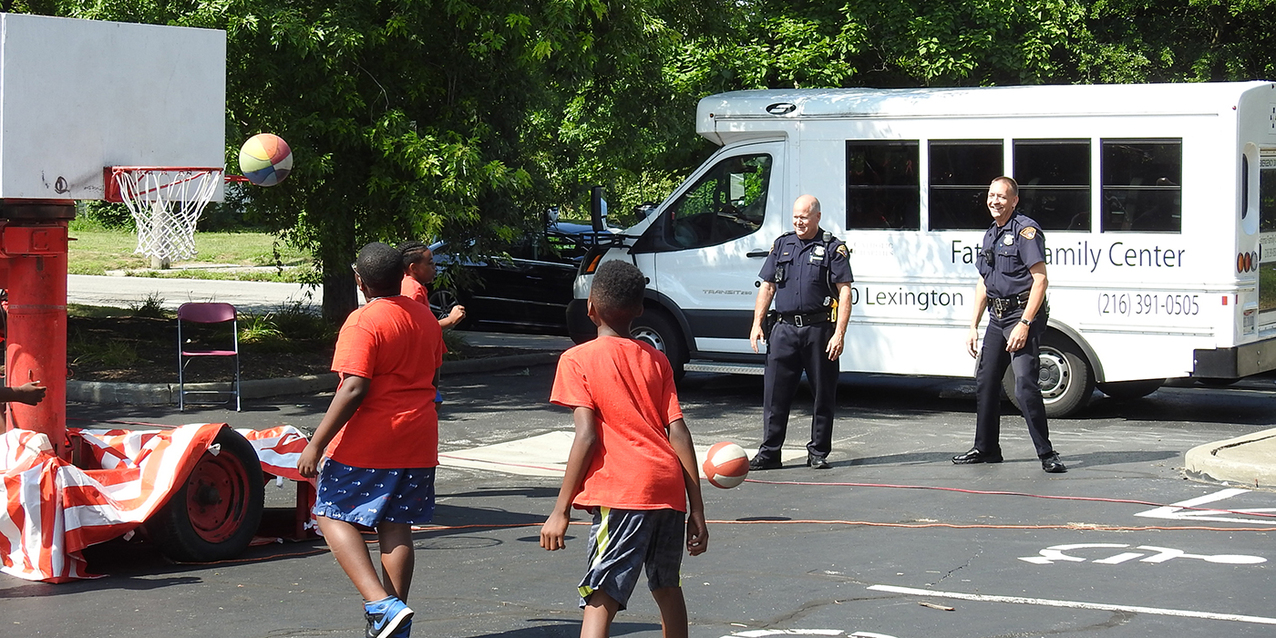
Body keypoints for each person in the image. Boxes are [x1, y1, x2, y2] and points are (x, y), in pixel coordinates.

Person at [539, 259, 708, 638]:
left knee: (601, 593)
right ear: (640, 310)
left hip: (623, 491)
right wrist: (696, 507)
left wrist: (560, 509)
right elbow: (678, 430)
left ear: (590, 308)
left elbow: (586, 437)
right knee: (667, 585)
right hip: (667, 488)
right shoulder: (657, 359)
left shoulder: (577, 360)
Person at [298, 242, 446, 638]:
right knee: (396, 526)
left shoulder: (364, 321)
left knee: (329, 511)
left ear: (360, 281)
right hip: (419, 437)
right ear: (402, 276)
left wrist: (316, 443)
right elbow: (432, 377)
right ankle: (393, 621)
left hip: (373, 439)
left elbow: (353, 387)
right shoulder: (425, 317)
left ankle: (380, 604)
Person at [953, 176, 1066, 474]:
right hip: (996, 317)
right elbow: (983, 282)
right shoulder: (991, 234)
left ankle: (1047, 453)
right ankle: (987, 448)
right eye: (991, 195)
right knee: (985, 381)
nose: (995, 201)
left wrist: (1025, 323)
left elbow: (1040, 279)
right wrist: (973, 325)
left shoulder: (1025, 231)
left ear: (1014, 201)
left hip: (1020, 316)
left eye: (1002, 197)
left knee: (1026, 385)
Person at [748, 194, 853, 470]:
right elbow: (767, 285)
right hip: (783, 330)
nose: (798, 222)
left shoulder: (833, 248)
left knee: (823, 394)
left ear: (817, 217)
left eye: (804, 217)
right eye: (795, 217)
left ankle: (818, 451)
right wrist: (757, 322)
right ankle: (769, 452)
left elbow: (845, 292)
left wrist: (839, 333)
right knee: (774, 395)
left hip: (818, 330)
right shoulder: (782, 244)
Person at [397, 240, 466, 329]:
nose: (434, 266)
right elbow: (418, 329)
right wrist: (450, 320)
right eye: (430, 263)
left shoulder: (406, 282)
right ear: (413, 268)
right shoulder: (414, 290)